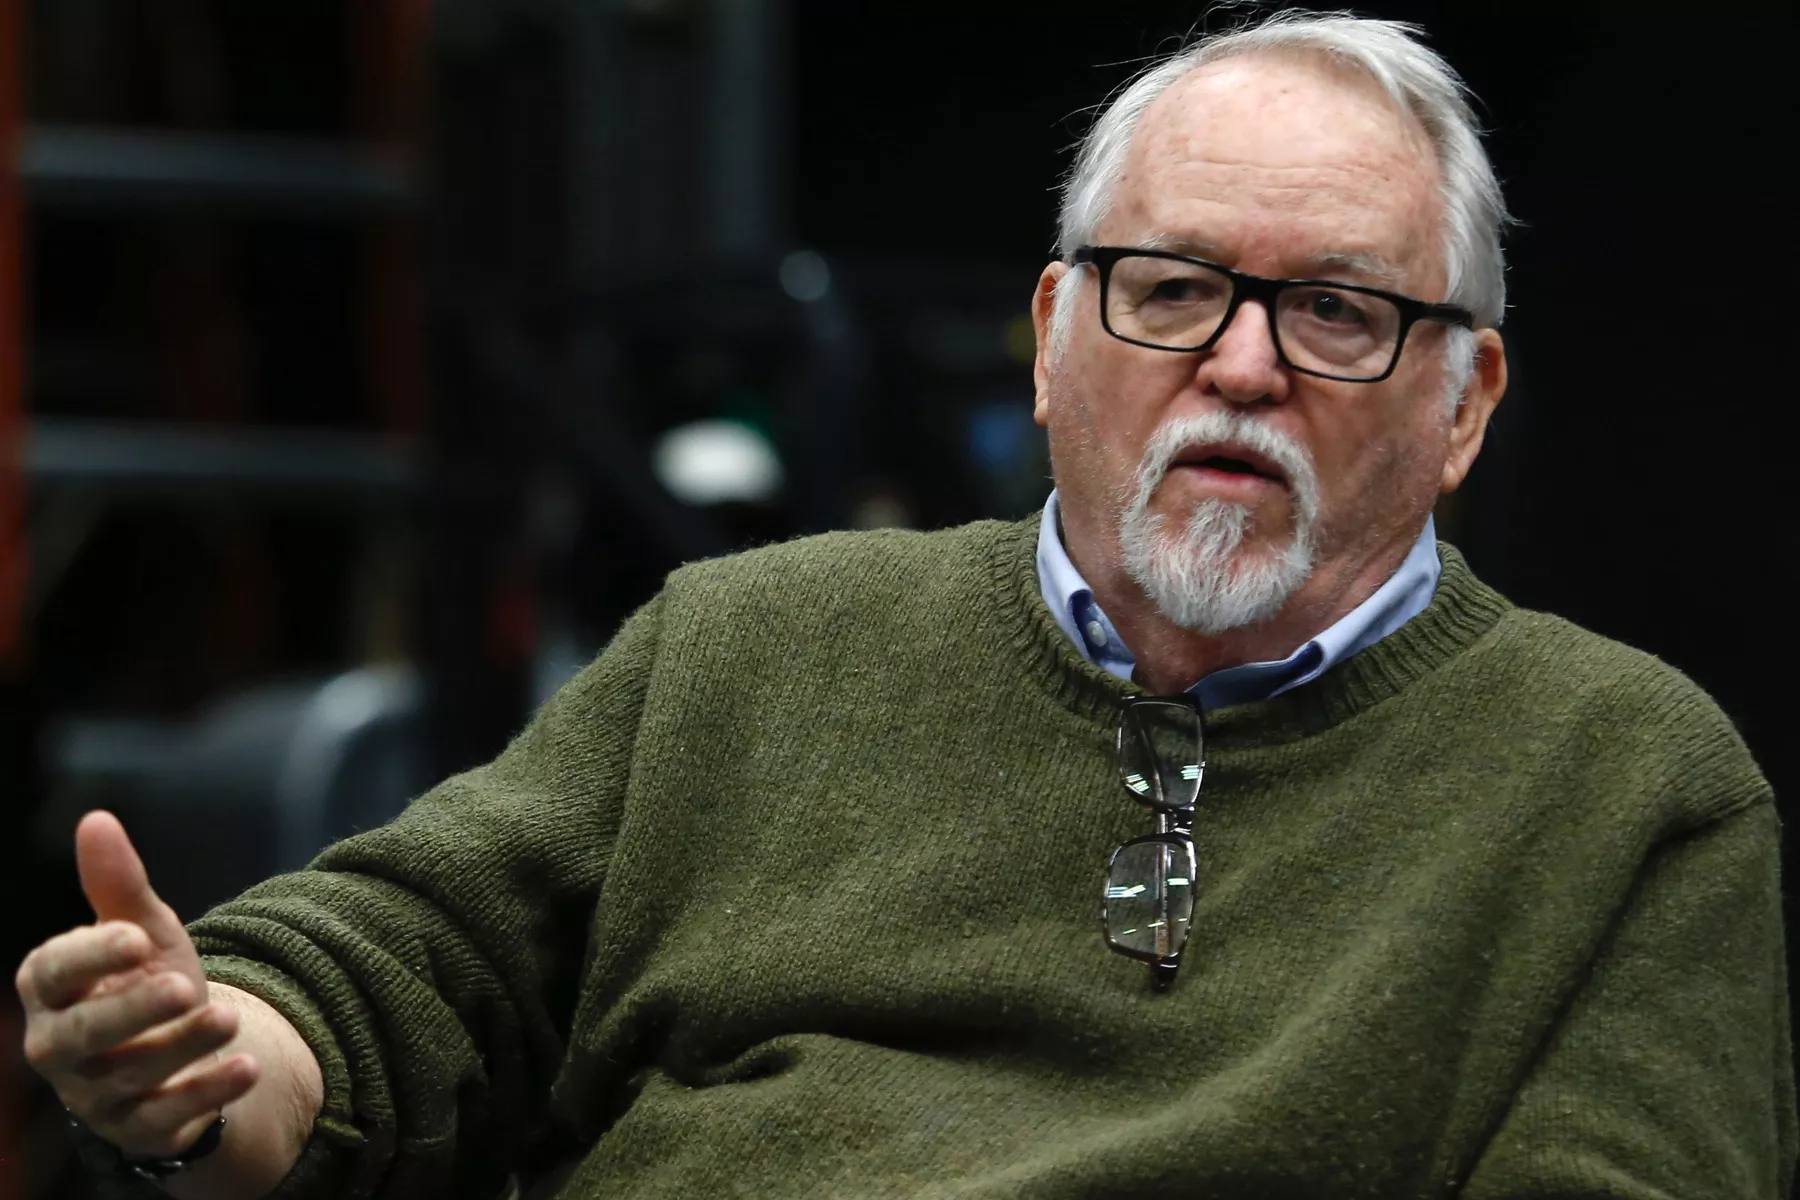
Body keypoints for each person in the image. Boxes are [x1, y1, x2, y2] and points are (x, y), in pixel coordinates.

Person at [16, 11, 1795, 1199]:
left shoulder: (1630, 786)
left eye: (1337, 310)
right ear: (1054, 340)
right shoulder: (751, 647)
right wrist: (218, 1061)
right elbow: (404, 969)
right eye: (1172, 287)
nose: (1243, 366)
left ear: (1466, 403)